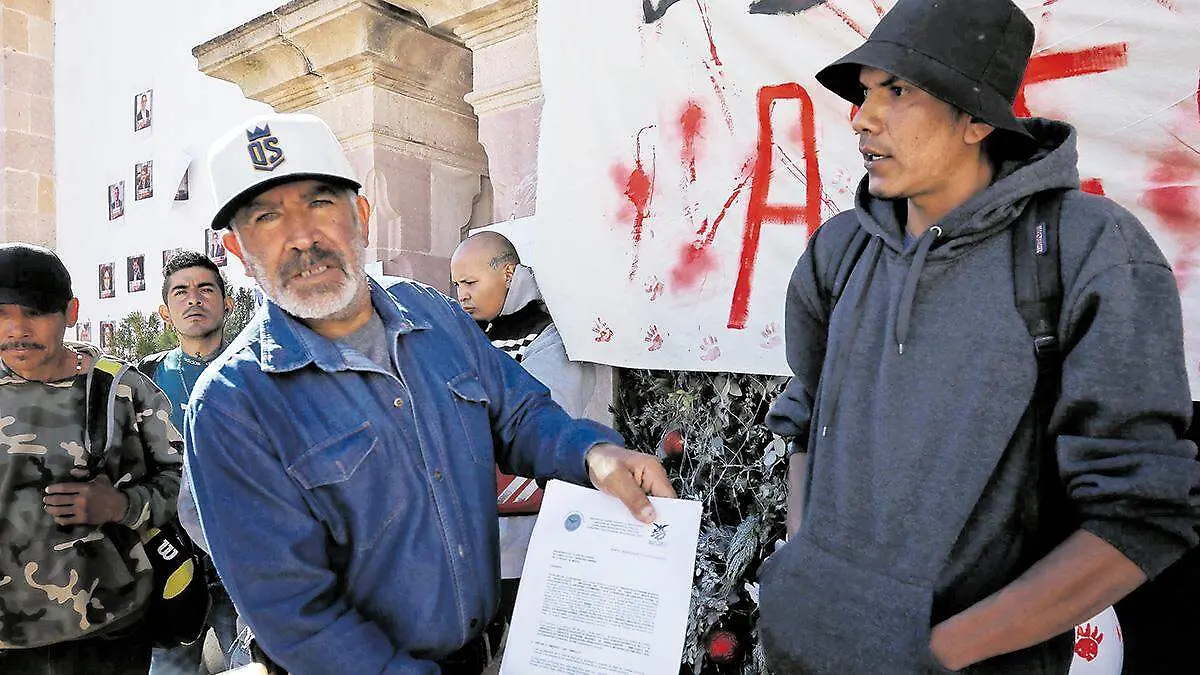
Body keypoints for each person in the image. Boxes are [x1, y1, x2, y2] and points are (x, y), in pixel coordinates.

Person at [759, 1, 1200, 673]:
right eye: (866, 92)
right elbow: (807, 417)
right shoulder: (840, 250)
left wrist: (939, 653)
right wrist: (806, 582)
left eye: (898, 90)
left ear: (974, 119)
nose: (864, 118)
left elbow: (1140, 516)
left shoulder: (1089, 251)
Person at [183, 112, 675, 674]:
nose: (302, 238)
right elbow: (295, 613)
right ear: (237, 249)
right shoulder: (231, 403)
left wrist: (593, 453)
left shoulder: (430, 312)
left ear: (362, 216)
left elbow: (518, 412)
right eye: (267, 218)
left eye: (319, 203)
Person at [0, 243, 183, 674]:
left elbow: (188, 486)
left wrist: (122, 506)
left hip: (105, 631)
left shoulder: (121, 391)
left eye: (35, 311)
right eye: (2, 313)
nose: (16, 329)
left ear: (71, 310)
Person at [450, 231, 606, 650]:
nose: (461, 295)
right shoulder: (471, 332)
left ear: (507, 274)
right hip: (480, 532)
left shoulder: (548, 335)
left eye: (470, 283)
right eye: (456, 285)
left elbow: (546, 417)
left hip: (532, 527)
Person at [139, 251, 239, 675]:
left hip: (245, 562)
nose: (193, 299)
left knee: (262, 663)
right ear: (165, 311)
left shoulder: (255, 373)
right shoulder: (143, 380)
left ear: (227, 301)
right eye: (181, 291)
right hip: (171, 564)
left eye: (205, 289)